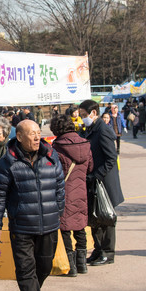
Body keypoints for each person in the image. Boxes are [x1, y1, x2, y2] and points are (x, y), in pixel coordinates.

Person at [0, 120, 65, 291]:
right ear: (19, 137)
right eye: (32, 134)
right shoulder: (7, 162)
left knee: (45, 266)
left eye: (39, 133)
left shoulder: (51, 156)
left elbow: (59, 185)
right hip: (21, 226)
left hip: (49, 224)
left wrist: (58, 211)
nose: (37, 137)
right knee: (25, 268)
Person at [79, 100, 124, 267]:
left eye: (84, 115)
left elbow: (111, 158)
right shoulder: (90, 129)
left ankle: (108, 252)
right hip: (94, 181)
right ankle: (98, 250)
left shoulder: (103, 130)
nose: (83, 118)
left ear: (94, 113)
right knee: (95, 217)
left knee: (106, 218)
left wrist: (96, 175)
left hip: (104, 182)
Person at [50, 115, 93, 277]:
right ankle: (82, 264)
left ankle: (71, 266)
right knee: (80, 226)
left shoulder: (57, 147)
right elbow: (90, 167)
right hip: (81, 190)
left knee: (65, 228)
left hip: (63, 192)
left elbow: (54, 172)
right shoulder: (85, 144)